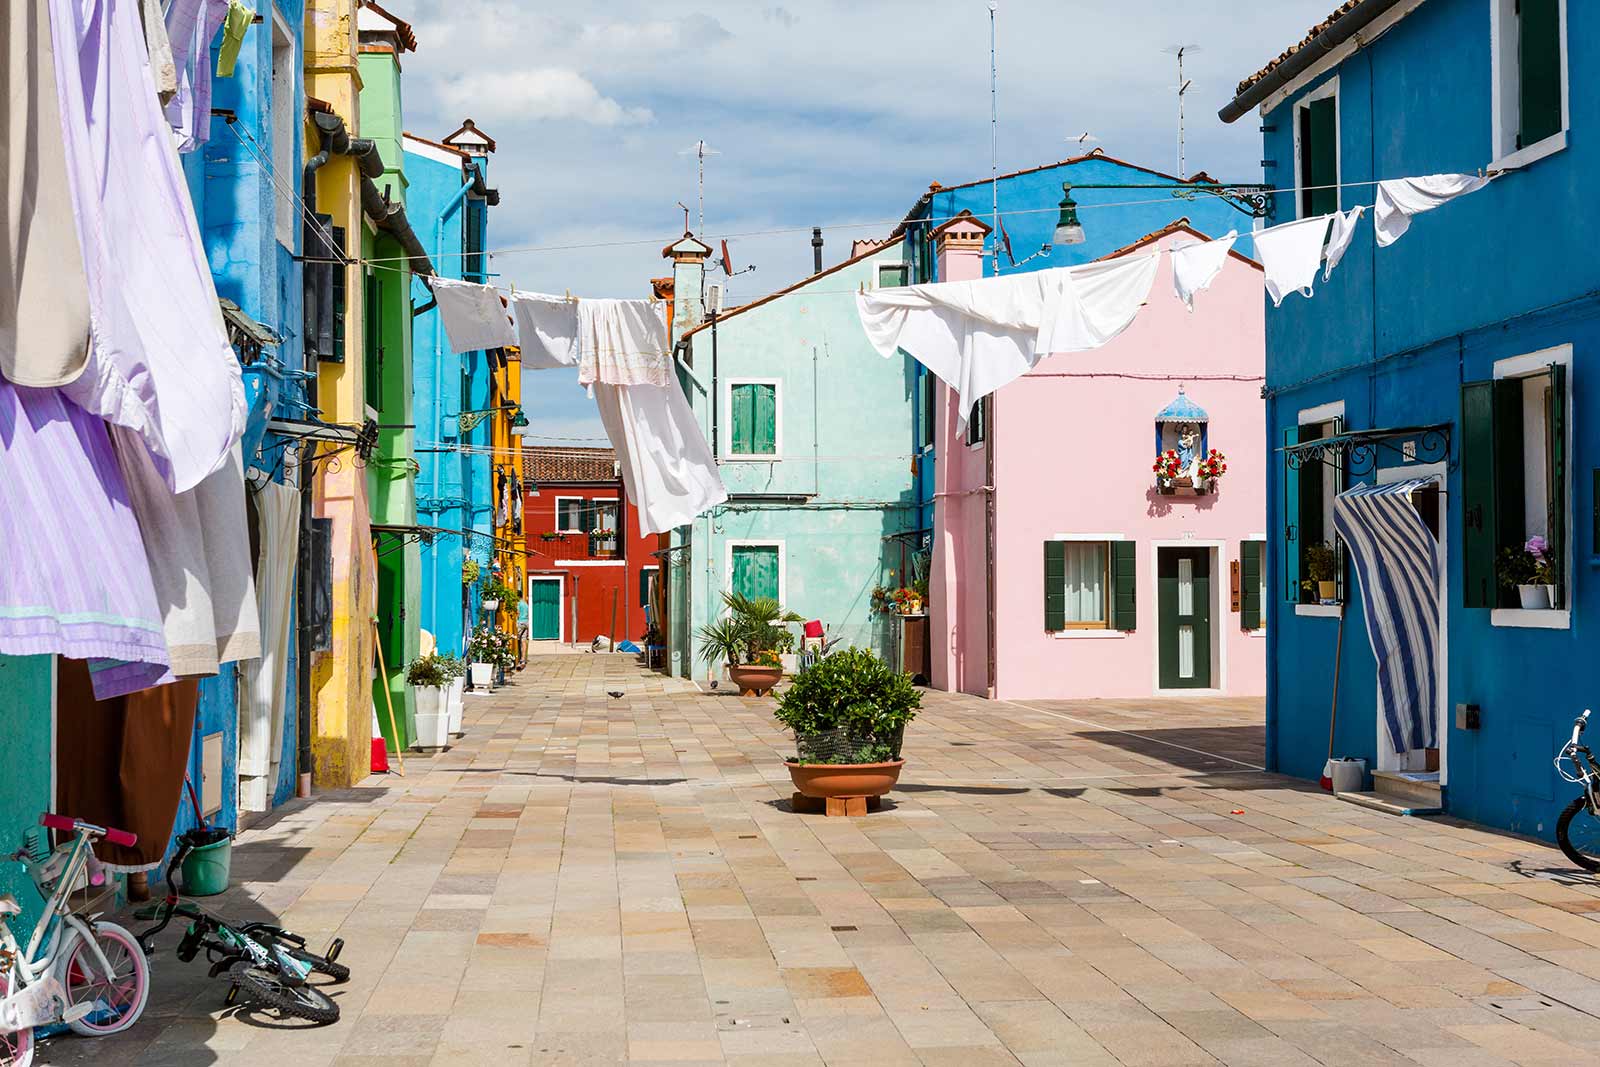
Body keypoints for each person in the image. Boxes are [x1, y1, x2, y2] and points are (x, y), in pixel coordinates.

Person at [516, 596, 530, 669]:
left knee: (516, 639)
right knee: (523, 640)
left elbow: (517, 613)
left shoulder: (519, 603)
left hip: (520, 622)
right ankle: (523, 659)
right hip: (526, 622)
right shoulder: (525, 604)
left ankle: (517, 658)